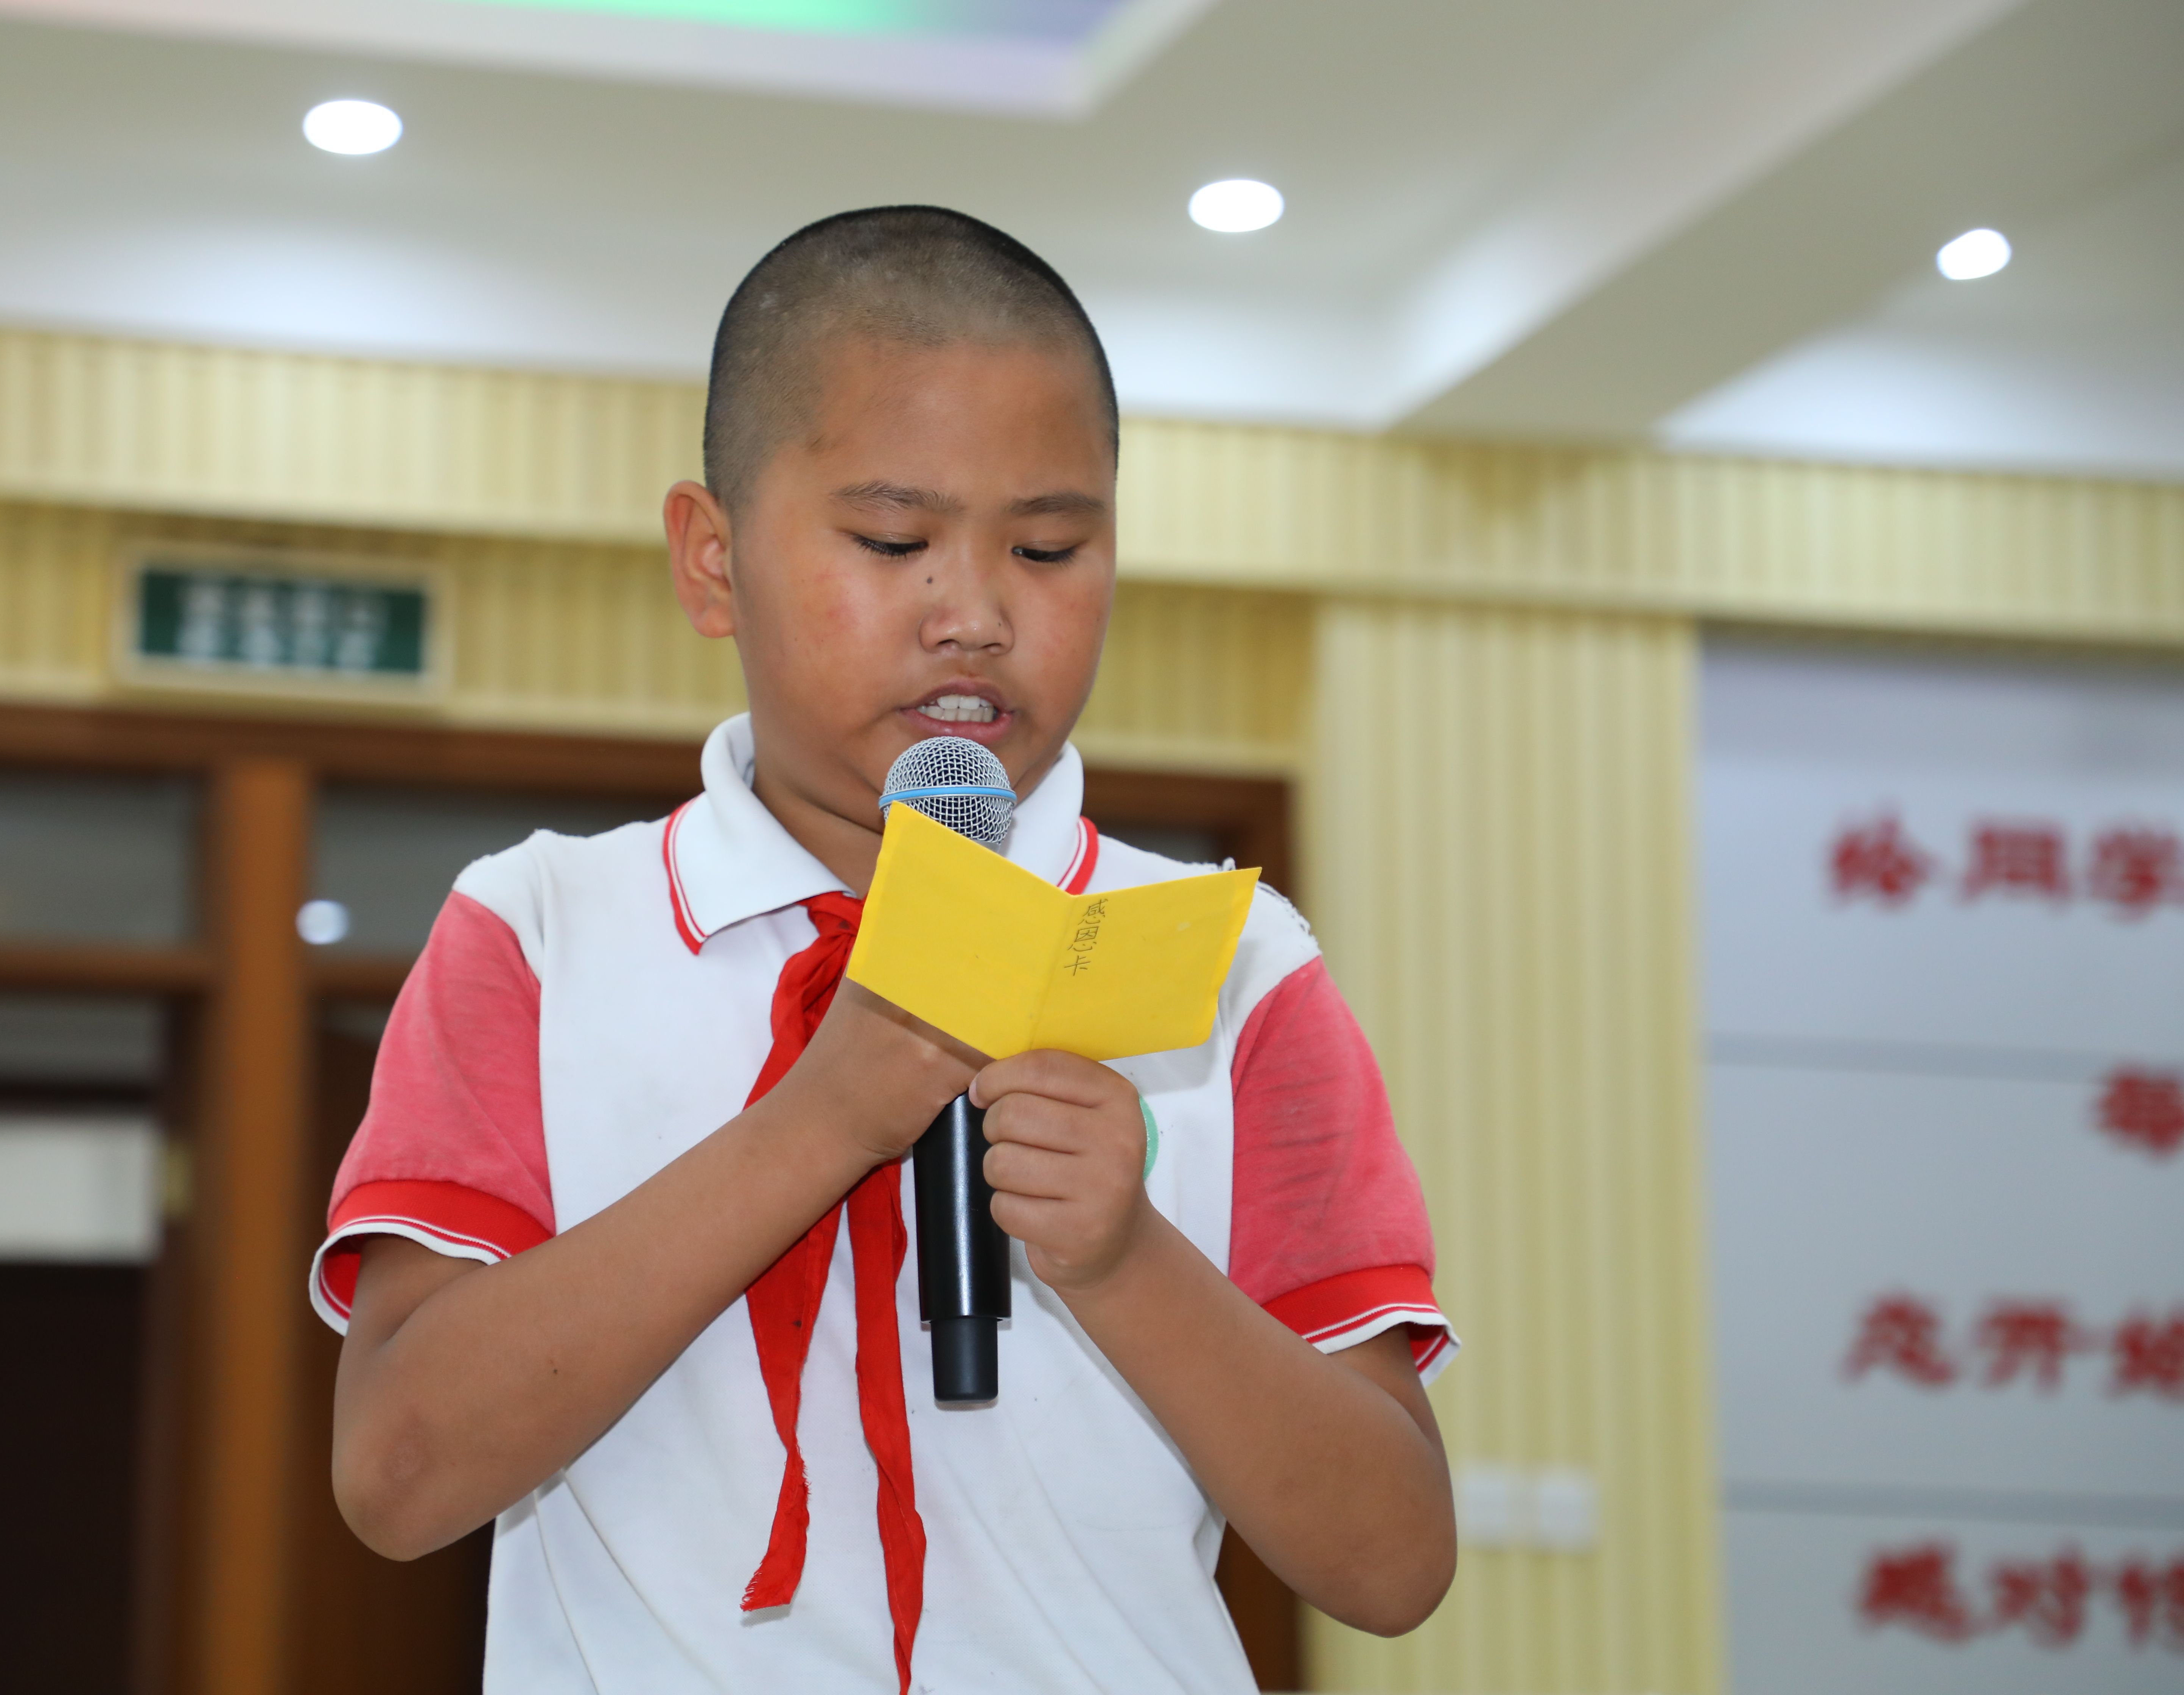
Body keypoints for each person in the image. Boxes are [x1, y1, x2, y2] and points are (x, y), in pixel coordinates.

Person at [316, 206, 1458, 1693]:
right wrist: (830, 1116)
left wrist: (1123, 1256)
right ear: (712, 558)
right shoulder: (539, 931)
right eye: (893, 541)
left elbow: (1393, 1562)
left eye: (1048, 547)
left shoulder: (1235, 961)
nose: (974, 615)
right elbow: (398, 1476)